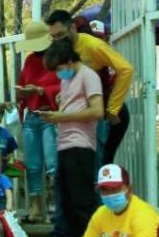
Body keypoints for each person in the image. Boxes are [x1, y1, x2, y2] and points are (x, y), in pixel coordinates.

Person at [46, 9, 134, 166]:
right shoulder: (65, 50)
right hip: (88, 118)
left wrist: (113, 108)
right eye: (53, 37)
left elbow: (126, 69)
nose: (57, 40)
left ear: (72, 28)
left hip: (105, 116)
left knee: (99, 166)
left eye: (60, 35)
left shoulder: (93, 46)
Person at [39, 39, 104, 237]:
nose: (59, 74)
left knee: (82, 201)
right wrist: (57, 114)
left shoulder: (89, 76)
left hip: (81, 145)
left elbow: (97, 111)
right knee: (66, 202)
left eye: (59, 68)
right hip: (64, 145)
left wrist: (61, 117)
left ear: (69, 61)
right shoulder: (67, 81)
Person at [15, 19, 63, 224]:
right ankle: (36, 209)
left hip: (50, 117)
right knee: (33, 165)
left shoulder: (60, 60)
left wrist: (40, 90)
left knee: (53, 164)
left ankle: (55, 208)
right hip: (32, 117)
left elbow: (65, 86)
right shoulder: (30, 61)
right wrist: (23, 93)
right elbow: (22, 83)